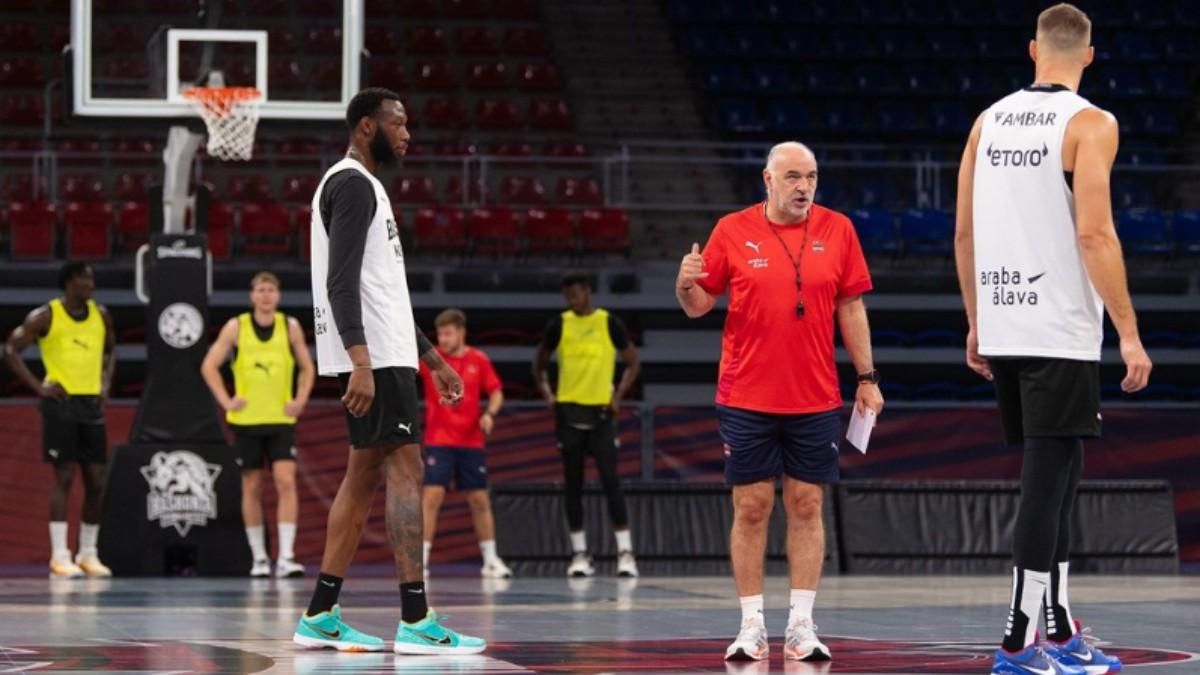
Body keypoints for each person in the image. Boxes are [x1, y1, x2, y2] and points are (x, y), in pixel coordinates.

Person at [954, 5, 1151, 675]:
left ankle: (1060, 628)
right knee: (1046, 484)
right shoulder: (1091, 122)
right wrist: (1128, 331)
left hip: (1006, 323)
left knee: (1062, 478)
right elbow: (1095, 234)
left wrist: (977, 318)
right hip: (1061, 328)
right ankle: (1017, 642)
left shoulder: (987, 121)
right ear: (1089, 56)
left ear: (1033, 47)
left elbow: (963, 232)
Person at [292, 87, 485, 656]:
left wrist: (432, 358)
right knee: (406, 470)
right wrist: (360, 361)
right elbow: (340, 281)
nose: (408, 133)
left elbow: (385, 293)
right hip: (373, 358)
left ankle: (321, 612)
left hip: (389, 352)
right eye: (398, 123)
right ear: (367, 127)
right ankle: (415, 618)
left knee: (363, 476)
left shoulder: (364, 186)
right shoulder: (351, 184)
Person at [675, 142, 882, 663]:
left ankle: (801, 625)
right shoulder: (732, 230)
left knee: (807, 505)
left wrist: (867, 377)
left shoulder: (838, 230)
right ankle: (750, 626)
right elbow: (701, 304)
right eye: (792, 177)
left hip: (813, 396)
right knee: (752, 507)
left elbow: (851, 306)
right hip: (746, 395)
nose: (803, 187)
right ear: (767, 180)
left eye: (810, 177)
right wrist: (685, 286)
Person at [3, 262, 115, 579]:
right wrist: (39, 386)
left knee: (96, 480)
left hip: (91, 405)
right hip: (61, 405)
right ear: (69, 283)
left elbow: (110, 351)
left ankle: (88, 553)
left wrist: (106, 383)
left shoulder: (101, 315)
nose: (90, 285)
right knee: (63, 477)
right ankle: (59, 555)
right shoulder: (46, 316)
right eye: (84, 279)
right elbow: (10, 349)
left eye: (92, 279)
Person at [201, 271, 315, 578]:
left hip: (280, 418)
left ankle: (287, 556)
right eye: (261, 290)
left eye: (271, 290)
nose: (266, 295)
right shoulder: (236, 326)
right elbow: (209, 365)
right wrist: (226, 401)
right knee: (251, 485)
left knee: (285, 481)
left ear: (277, 296)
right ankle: (260, 558)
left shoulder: (288, 326)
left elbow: (307, 367)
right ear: (252, 295)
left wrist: (300, 399)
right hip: (247, 420)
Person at [532, 273, 641, 578]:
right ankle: (580, 554)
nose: (572, 300)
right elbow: (539, 362)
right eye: (568, 296)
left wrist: (618, 395)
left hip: (602, 414)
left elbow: (633, 362)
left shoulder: (609, 323)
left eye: (576, 294)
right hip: (568, 413)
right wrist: (548, 394)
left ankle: (625, 553)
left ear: (588, 292)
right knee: (573, 485)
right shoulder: (560, 324)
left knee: (611, 481)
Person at [419, 308, 511, 579]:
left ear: (461, 332)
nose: (444, 339)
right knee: (432, 497)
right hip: (439, 439)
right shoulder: (432, 360)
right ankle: (420, 561)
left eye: (449, 333)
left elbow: (496, 392)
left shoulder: (478, 360)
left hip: (471, 441)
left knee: (479, 499)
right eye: (440, 334)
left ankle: (491, 560)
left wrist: (489, 415)